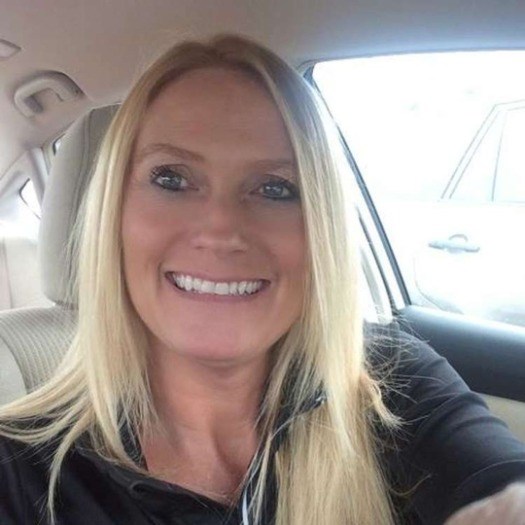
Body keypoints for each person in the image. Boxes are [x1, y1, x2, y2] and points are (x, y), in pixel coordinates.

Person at [0, 34, 524, 525]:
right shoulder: (20, 472)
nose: (221, 230)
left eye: (275, 188)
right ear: (112, 215)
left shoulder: (395, 385)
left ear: (321, 229)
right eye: (171, 179)